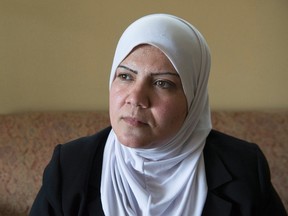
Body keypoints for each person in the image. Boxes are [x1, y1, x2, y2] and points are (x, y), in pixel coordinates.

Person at [29, 14, 287, 216]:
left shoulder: (242, 167)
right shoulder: (71, 165)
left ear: (193, 98)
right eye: (126, 76)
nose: (136, 98)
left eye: (163, 83)